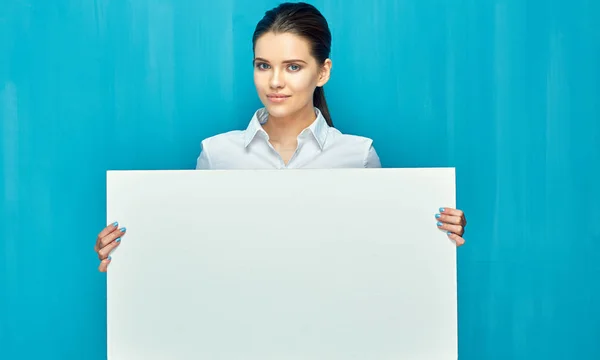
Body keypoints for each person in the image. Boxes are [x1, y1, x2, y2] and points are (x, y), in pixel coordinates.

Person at [94, 2, 467, 272]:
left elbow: (383, 258)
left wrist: (435, 230)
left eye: (293, 67)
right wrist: (128, 250)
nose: (275, 81)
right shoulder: (216, 155)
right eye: (263, 65)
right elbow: (193, 252)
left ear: (322, 72)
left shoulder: (359, 155)